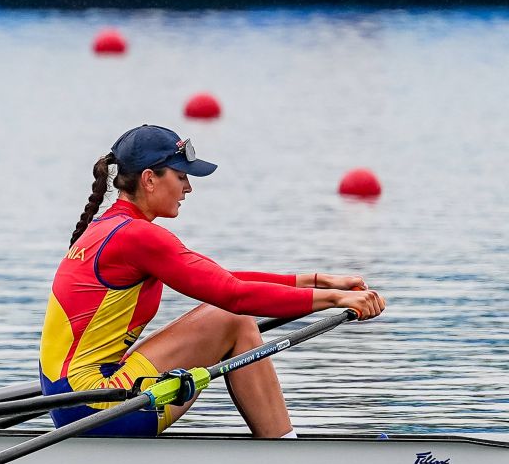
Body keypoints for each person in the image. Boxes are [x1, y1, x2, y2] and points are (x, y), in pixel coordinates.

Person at [39, 124, 384, 438]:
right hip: (97, 407)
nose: (188, 187)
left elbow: (221, 279)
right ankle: (283, 449)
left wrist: (316, 281)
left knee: (227, 314)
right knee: (231, 318)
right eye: (181, 175)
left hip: (75, 400)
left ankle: (280, 445)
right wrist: (337, 301)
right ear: (149, 179)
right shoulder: (137, 237)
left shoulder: (109, 227)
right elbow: (231, 295)